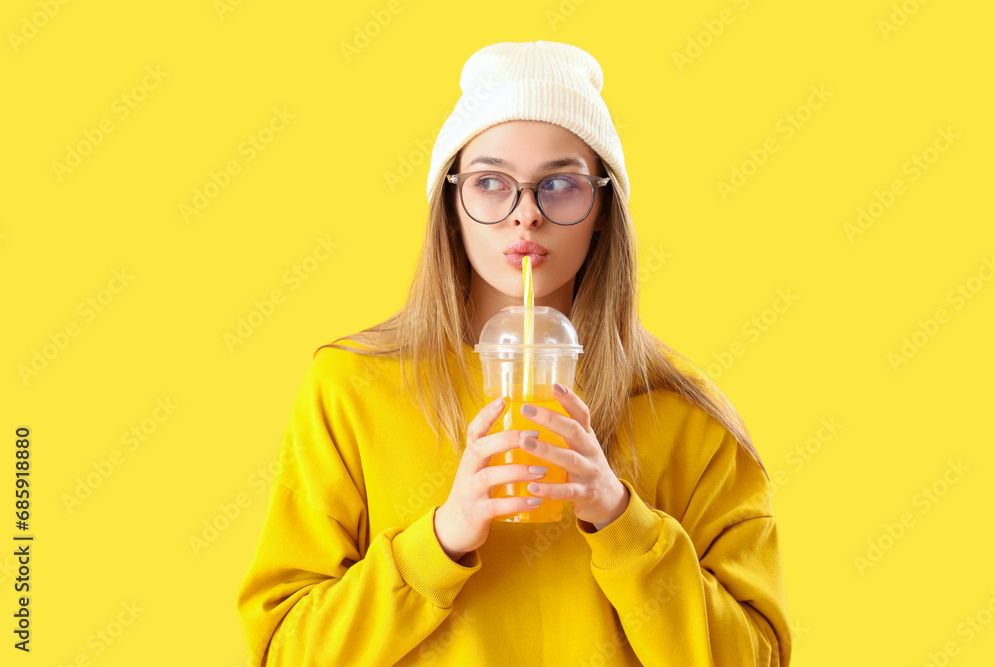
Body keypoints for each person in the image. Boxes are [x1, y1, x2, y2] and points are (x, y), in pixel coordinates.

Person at [236, 40, 791, 666]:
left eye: (560, 185)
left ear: (603, 206)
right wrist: (441, 539)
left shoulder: (686, 413)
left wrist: (619, 518)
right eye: (490, 183)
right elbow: (286, 653)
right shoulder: (350, 387)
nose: (525, 215)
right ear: (451, 206)